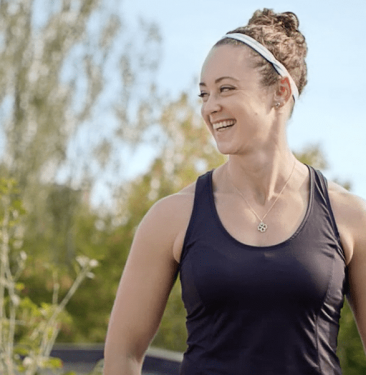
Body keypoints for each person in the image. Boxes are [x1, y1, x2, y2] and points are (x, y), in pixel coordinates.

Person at [104, 8, 366, 375]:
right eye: (204, 93)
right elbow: (122, 357)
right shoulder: (171, 217)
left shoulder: (350, 216)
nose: (211, 107)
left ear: (280, 90)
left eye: (226, 88)